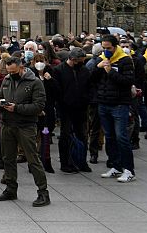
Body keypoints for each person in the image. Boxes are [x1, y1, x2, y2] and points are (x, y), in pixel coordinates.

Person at [0, 57, 50, 207]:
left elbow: (39, 106)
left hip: (26, 125)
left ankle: (43, 192)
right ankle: (11, 189)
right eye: (8, 71)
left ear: (21, 67)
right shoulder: (7, 80)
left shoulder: (34, 82)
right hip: (7, 124)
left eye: (13, 71)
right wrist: (0, 104)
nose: (11, 74)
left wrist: (17, 108)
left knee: (33, 159)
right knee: (8, 158)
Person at [92, 34, 136, 183]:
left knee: (121, 137)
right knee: (109, 137)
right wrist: (97, 68)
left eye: (108, 48)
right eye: (104, 48)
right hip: (103, 103)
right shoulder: (102, 58)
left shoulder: (125, 60)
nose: (106, 51)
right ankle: (115, 165)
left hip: (119, 104)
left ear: (115, 46)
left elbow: (128, 81)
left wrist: (111, 71)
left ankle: (128, 169)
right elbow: (92, 79)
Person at [52, 47, 92, 173]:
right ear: (73, 59)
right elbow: (57, 90)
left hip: (81, 107)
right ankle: (66, 162)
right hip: (66, 108)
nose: (82, 62)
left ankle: (81, 161)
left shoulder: (84, 70)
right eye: (80, 60)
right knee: (65, 135)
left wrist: (86, 99)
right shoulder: (59, 70)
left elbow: (89, 86)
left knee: (82, 135)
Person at [29, 53, 57, 173]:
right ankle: (33, 163)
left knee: (45, 135)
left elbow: (57, 91)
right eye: (37, 61)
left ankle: (46, 160)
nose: (39, 64)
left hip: (48, 112)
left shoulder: (51, 73)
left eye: (42, 61)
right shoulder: (30, 76)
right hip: (35, 112)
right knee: (33, 138)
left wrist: (50, 80)